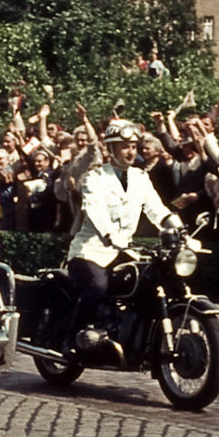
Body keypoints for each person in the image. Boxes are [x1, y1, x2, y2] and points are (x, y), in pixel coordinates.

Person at [64, 120, 172, 338]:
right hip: (90, 252)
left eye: (133, 146)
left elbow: (157, 209)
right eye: (124, 146)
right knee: (98, 286)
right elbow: (95, 211)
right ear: (110, 149)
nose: (131, 151)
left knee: (149, 280)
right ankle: (73, 337)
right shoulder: (95, 178)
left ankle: (133, 334)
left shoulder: (141, 178)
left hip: (123, 252)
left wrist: (177, 228)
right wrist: (109, 234)